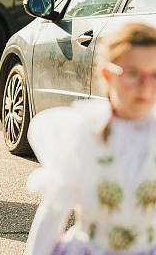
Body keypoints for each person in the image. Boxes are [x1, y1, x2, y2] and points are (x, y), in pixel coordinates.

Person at [25, 23, 156, 255]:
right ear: (108, 74)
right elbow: (53, 215)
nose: (145, 87)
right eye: (133, 74)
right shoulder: (83, 133)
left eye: (155, 75)